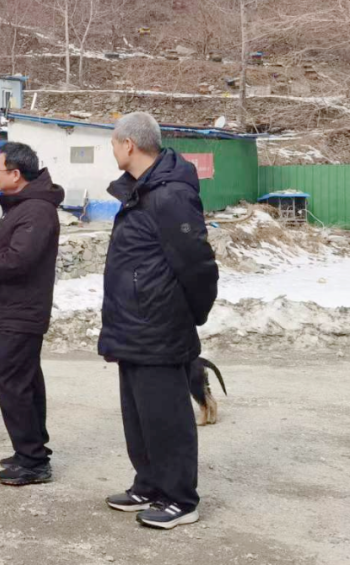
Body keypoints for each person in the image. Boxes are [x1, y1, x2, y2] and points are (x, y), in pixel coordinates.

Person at [99, 112, 219, 530]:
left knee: (167, 417)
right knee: (139, 415)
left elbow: (198, 265)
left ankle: (180, 499)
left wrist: (191, 314)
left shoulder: (170, 195)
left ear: (129, 145)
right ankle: (149, 484)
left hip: (159, 325)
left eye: (114, 144)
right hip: (133, 325)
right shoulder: (142, 191)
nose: (113, 151)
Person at [0, 142, 64, 487]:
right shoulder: (23, 207)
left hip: (20, 312)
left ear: (16, 174)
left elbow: (19, 259)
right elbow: (3, 246)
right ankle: (31, 450)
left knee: (14, 384)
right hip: (14, 310)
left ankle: (33, 461)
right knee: (26, 381)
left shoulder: (35, 210)